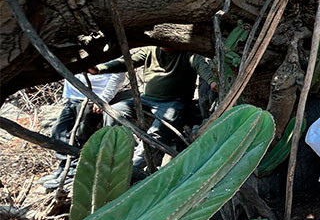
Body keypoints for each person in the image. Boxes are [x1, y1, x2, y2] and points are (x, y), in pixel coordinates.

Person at [90, 46, 218, 169]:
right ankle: (110, 156)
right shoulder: (150, 50)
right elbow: (128, 61)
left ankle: (131, 167)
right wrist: (99, 69)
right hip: (147, 99)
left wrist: (212, 81)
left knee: (156, 133)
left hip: (173, 103)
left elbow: (201, 66)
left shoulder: (188, 53)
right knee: (113, 112)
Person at [38, 72, 126, 190]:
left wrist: (103, 99)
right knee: (59, 130)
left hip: (94, 98)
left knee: (82, 134)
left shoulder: (111, 55)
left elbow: (118, 76)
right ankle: (64, 166)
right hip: (73, 97)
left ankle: (74, 171)